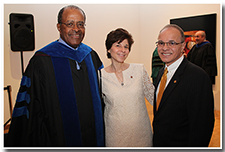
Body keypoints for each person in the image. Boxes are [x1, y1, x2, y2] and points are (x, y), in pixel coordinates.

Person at [5, 5, 104, 147]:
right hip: (57, 138)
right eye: (69, 24)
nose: (76, 29)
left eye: (80, 24)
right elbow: (31, 108)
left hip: (94, 137)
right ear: (59, 27)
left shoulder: (90, 55)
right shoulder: (42, 61)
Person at [153, 24, 214, 147]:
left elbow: (202, 128)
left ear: (183, 46)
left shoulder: (198, 77)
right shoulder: (161, 73)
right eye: (161, 43)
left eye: (171, 43)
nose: (165, 48)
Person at [102, 28, 155, 147]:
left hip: (141, 135)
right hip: (115, 136)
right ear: (109, 48)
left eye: (126, 46)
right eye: (118, 45)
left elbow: (155, 99)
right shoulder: (100, 76)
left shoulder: (139, 70)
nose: (123, 50)